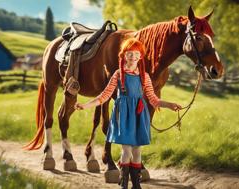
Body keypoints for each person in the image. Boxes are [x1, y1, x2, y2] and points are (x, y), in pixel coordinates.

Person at [74, 38, 182, 189]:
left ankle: (136, 185)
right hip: (123, 115)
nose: (132, 57)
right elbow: (103, 96)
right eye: (129, 53)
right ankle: (124, 183)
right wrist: (85, 105)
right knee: (126, 150)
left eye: (135, 54)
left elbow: (154, 99)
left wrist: (170, 105)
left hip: (139, 114)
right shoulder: (118, 75)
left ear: (140, 57)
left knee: (137, 150)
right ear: (124, 55)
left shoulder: (145, 77)